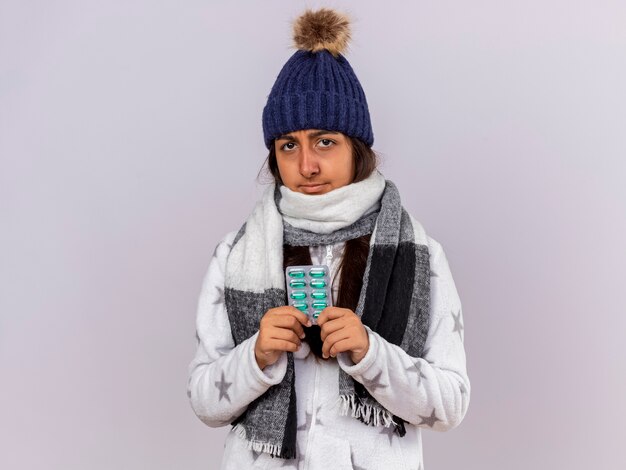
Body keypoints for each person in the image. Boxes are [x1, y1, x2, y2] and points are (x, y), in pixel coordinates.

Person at [187, 8, 470, 470]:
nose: (306, 165)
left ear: (356, 147)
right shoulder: (236, 254)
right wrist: (256, 355)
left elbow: (451, 403)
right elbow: (204, 400)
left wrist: (370, 352)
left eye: (324, 142)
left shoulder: (419, 254)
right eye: (288, 146)